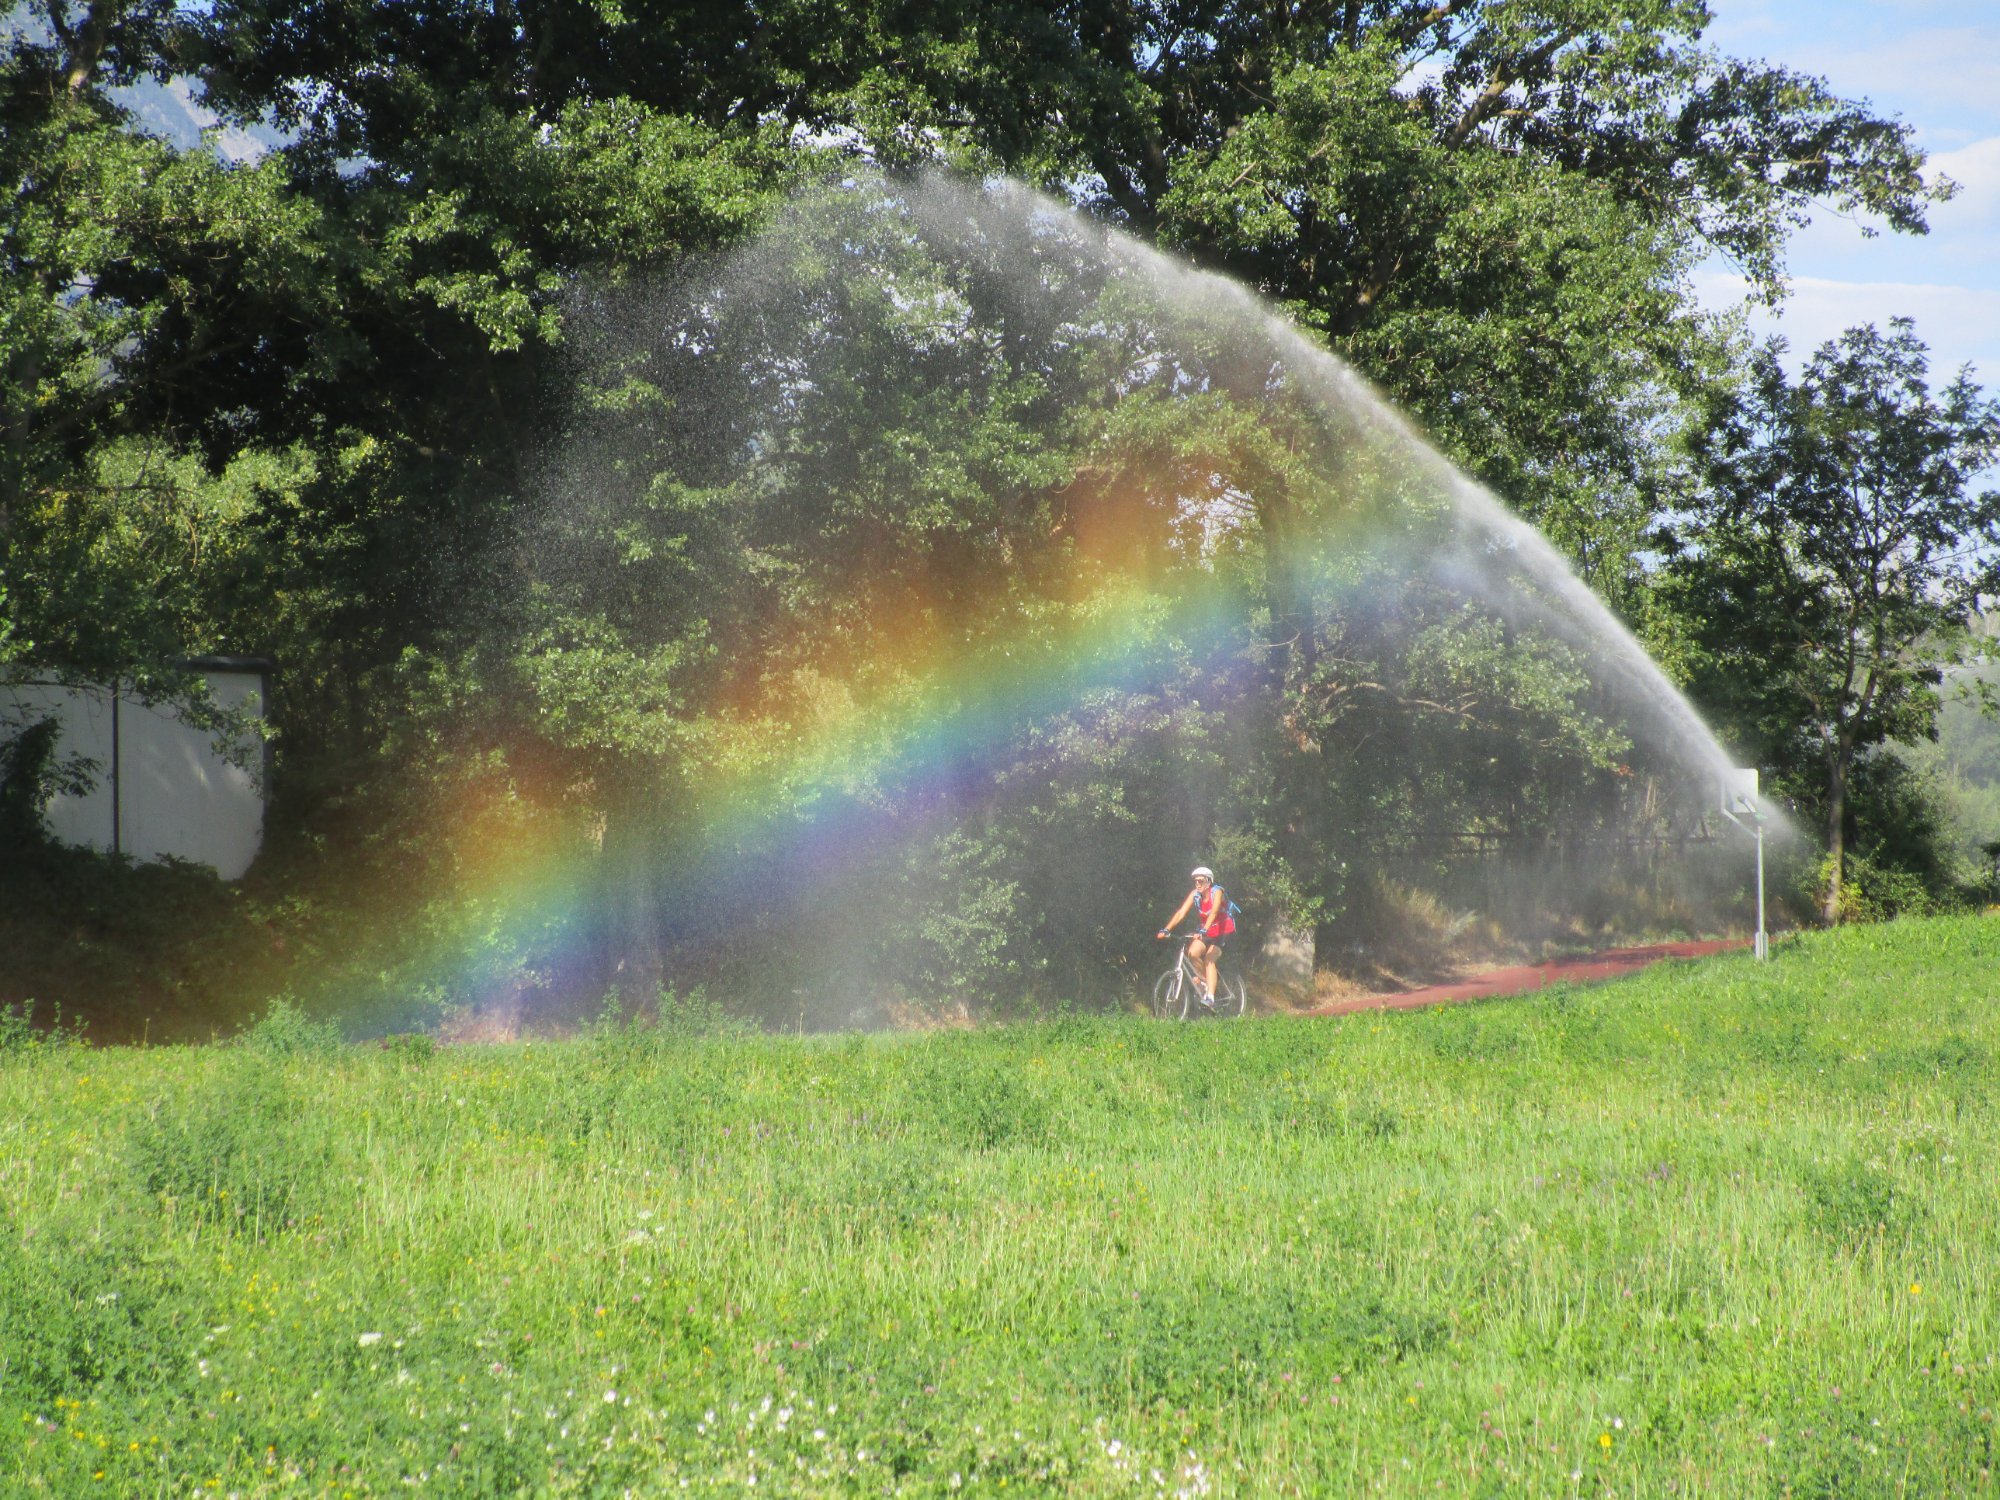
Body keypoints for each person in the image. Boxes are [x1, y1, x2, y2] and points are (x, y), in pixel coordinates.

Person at [1158, 865, 1234, 1004]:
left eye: (1201, 881)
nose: (1197, 884)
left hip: (1223, 930)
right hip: (1206, 930)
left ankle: (1210, 996)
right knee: (1192, 953)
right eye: (1196, 881)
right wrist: (1166, 929)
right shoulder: (1195, 894)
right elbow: (1181, 912)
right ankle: (1208, 982)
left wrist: (1203, 930)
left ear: (1209, 881)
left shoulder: (1217, 892)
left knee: (1209, 959)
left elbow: (1214, 911)